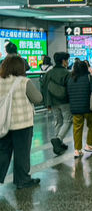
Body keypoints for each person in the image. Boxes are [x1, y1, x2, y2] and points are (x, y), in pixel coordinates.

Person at [0, 55, 43, 189]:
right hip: (22, 124)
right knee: (22, 153)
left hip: (3, 123)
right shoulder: (24, 81)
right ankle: (22, 180)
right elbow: (38, 98)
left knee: (3, 152)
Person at [41, 52, 72, 155]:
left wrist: (47, 103)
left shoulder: (49, 73)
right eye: (67, 60)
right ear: (63, 61)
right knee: (68, 120)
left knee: (58, 121)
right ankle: (58, 139)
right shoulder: (67, 73)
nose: (68, 62)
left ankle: (59, 144)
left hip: (53, 102)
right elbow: (70, 88)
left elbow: (44, 88)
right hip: (65, 101)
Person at [67, 60, 92, 158]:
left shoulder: (71, 79)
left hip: (75, 109)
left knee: (77, 129)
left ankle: (77, 150)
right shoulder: (88, 77)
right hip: (88, 107)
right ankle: (89, 144)